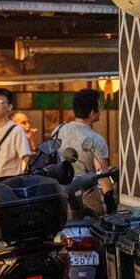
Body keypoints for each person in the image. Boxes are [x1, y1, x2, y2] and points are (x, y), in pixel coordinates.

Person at [52, 88, 112, 216]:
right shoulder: (96, 140)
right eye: (99, 107)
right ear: (92, 112)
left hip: (61, 196)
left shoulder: (58, 130)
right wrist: (111, 204)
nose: (100, 110)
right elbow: (102, 176)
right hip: (87, 199)